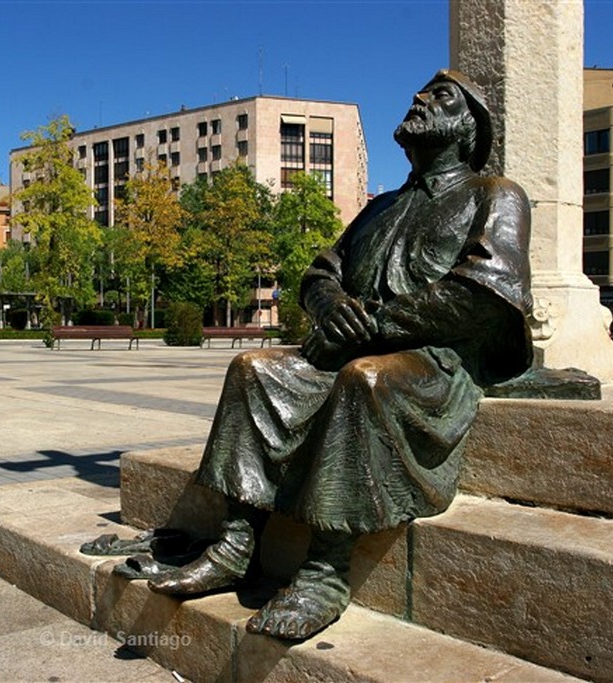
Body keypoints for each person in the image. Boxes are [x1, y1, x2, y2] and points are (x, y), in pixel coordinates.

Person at [145, 70, 533, 641]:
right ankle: (234, 544)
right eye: (420, 91)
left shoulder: (493, 195)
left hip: (434, 360)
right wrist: (329, 309)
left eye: (441, 97)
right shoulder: (382, 207)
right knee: (254, 369)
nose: (420, 99)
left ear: (468, 128)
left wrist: (374, 325)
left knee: (363, 380)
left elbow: (484, 292)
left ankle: (325, 570)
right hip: (356, 343)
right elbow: (320, 271)